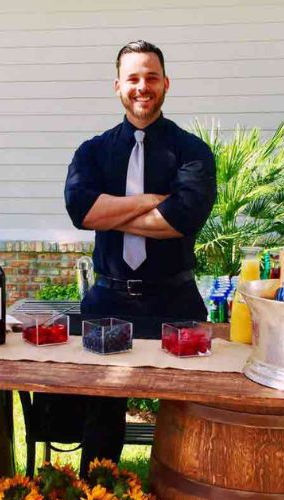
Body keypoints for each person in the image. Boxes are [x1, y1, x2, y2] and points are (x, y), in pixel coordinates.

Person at [63, 40, 217, 475]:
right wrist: (152, 200)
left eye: (151, 77)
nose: (142, 87)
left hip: (175, 302)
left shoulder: (191, 151)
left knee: (188, 418)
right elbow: (83, 211)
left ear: (166, 83)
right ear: (118, 87)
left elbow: (181, 219)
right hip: (107, 302)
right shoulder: (92, 152)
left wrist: (112, 213)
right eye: (133, 78)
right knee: (100, 421)